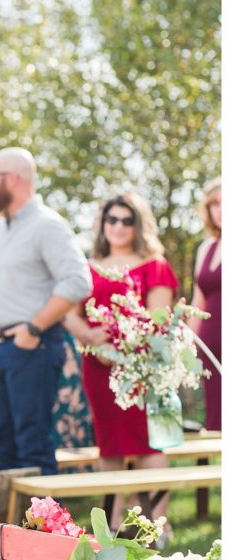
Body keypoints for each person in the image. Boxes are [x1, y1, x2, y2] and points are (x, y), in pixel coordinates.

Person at [65, 190, 178, 527]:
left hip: (140, 368)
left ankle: (156, 526)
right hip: (97, 370)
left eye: (127, 220)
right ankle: (110, 526)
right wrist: (88, 336)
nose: (118, 226)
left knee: (148, 445)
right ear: (103, 224)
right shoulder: (87, 267)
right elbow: (70, 314)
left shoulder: (154, 266)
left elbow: (157, 318)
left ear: (138, 225)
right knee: (109, 446)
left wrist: (119, 345)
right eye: (112, 219)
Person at [0, 147, 92, 474]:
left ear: (12, 179)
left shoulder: (48, 225)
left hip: (32, 347)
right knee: (1, 442)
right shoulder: (2, 227)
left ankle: (43, 526)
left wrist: (33, 329)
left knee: (33, 443)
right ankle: (11, 525)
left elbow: (77, 281)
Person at [189, 177, 221, 431]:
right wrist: (188, 345)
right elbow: (197, 301)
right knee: (215, 423)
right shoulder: (205, 248)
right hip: (209, 351)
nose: (220, 210)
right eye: (215, 204)